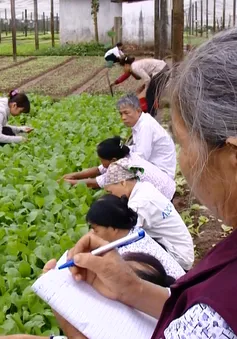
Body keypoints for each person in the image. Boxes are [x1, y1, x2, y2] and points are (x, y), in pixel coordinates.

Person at [53, 28, 237, 338]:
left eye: (182, 143)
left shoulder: (217, 318)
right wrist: (132, 288)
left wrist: (70, 321)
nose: (183, 159)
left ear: (231, 155)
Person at [104, 159, 194, 271]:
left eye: (110, 191)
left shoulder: (140, 203)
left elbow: (123, 235)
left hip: (178, 258)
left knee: (127, 251)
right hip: (183, 250)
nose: (112, 195)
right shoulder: (144, 187)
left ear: (123, 182)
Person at [86, 194, 185, 280]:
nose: (92, 233)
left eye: (95, 230)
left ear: (113, 229)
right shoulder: (135, 232)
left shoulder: (126, 256)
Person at [62, 136, 176, 200]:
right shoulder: (125, 153)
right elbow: (98, 169)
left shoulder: (120, 167)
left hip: (164, 195)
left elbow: (94, 183)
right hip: (169, 185)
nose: (101, 163)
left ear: (113, 160)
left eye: (102, 160)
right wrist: (73, 175)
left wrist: (66, 182)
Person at [117, 94, 176, 180]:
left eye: (126, 113)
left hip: (162, 174)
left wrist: (119, 160)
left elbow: (141, 157)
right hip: (155, 168)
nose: (123, 117)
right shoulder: (140, 123)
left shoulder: (145, 126)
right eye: (121, 114)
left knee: (119, 178)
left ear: (138, 110)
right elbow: (137, 148)